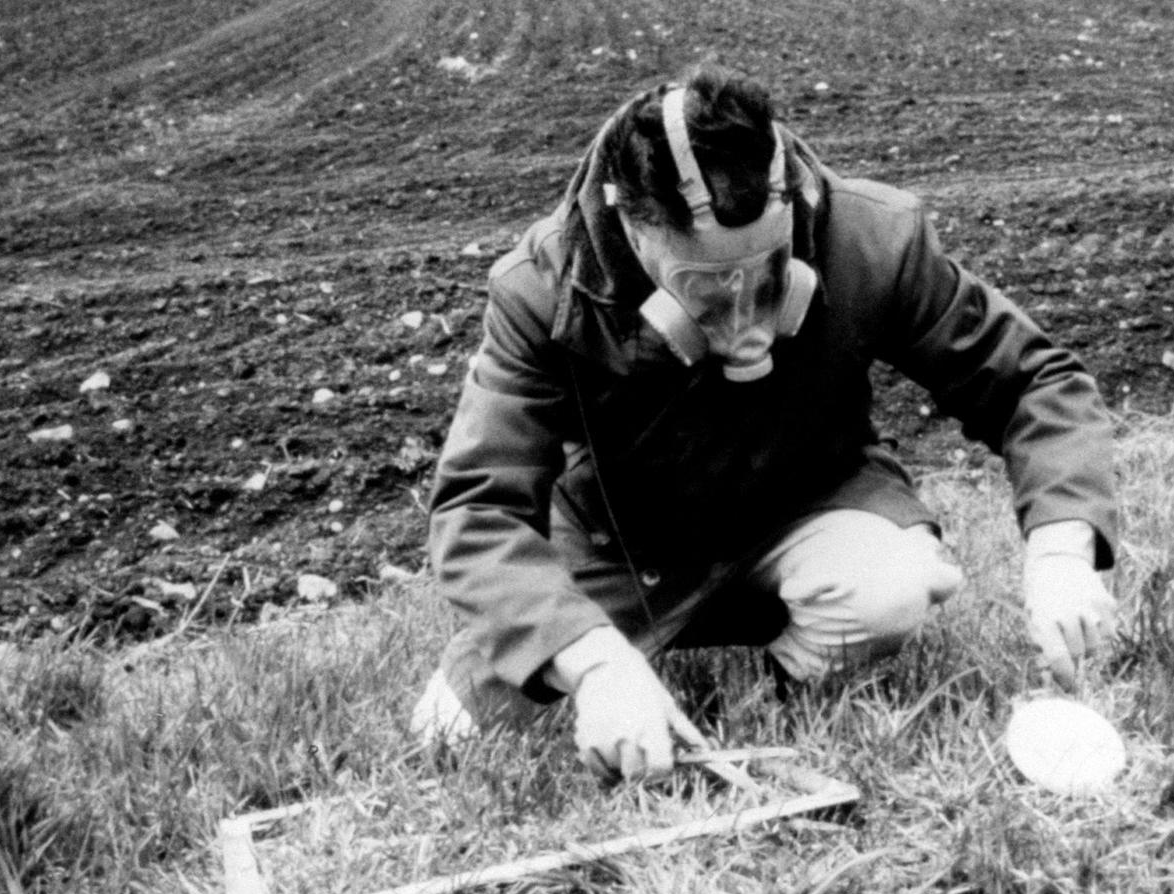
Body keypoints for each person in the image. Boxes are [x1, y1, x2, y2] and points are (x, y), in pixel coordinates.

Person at [410, 67, 1120, 783]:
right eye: (705, 291)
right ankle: (620, 664)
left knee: (889, 587)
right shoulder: (541, 290)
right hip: (623, 545)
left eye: (772, 274)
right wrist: (591, 659)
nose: (748, 328)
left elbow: (1034, 380)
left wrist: (1062, 550)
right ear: (632, 223)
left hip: (804, 503)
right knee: (445, 739)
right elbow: (478, 509)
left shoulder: (870, 237)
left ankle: (788, 681)